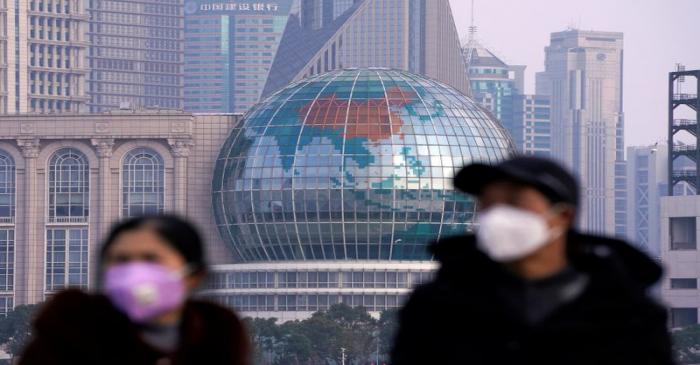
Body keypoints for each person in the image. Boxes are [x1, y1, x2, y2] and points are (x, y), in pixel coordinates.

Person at [391, 156, 674, 365]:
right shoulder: (437, 309)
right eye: (488, 204)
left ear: (562, 216)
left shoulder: (628, 316)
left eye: (514, 203)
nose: (496, 216)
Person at [20, 215, 251, 365]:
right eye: (121, 259)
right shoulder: (63, 343)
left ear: (193, 275)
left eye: (151, 259)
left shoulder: (218, 343)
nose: (134, 272)